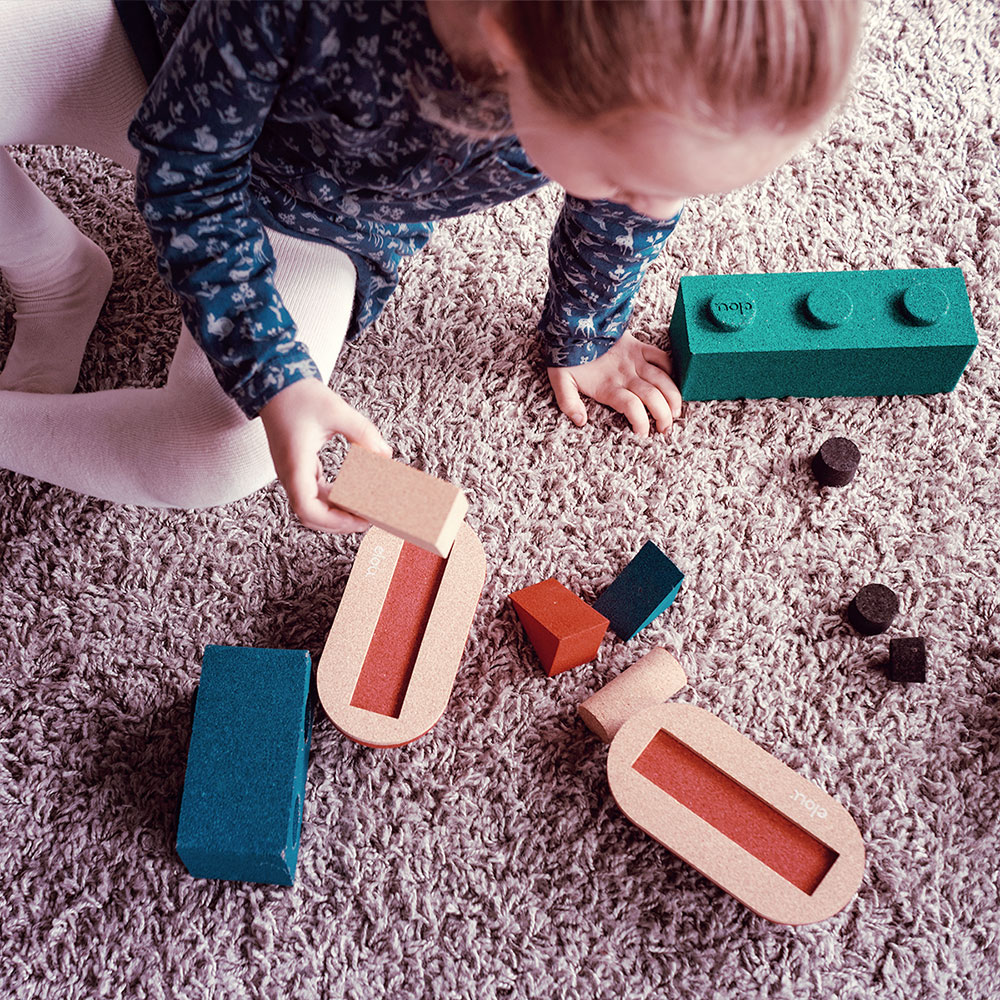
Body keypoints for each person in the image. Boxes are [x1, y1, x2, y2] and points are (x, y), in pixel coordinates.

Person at [0, 0, 862, 531]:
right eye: (631, 179)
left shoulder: (610, 67)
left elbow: (632, 197)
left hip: (328, 224)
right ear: (513, 51)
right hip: (152, 51)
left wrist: (586, 331)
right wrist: (271, 369)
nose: (655, 210)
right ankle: (44, 265)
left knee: (218, 453)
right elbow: (186, 170)